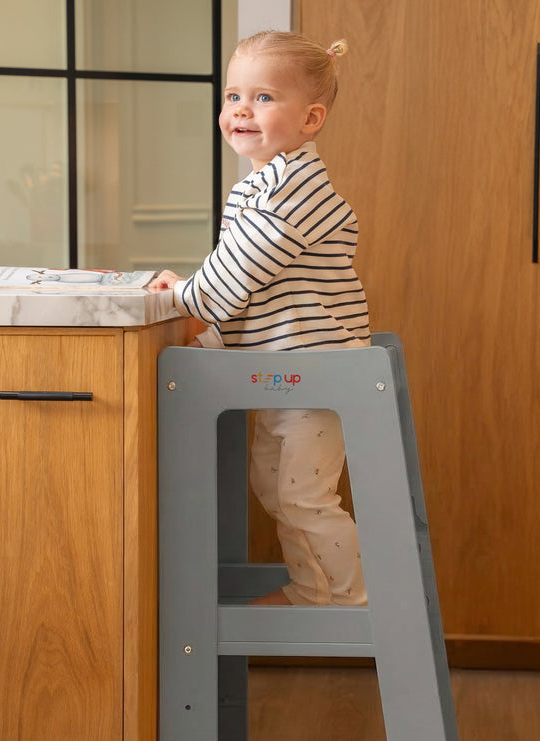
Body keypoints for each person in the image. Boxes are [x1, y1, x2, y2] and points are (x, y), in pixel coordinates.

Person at [149, 30, 370, 606]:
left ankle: (351, 600)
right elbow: (254, 286)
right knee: (275, 488)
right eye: (233, 96)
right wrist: (206, 318)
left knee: (303, 496)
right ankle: (313, 591)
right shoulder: (263, 185)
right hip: (288, 371)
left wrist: (184, 295)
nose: (241, 110)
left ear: (310, 119)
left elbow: (236, 276)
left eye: (264, 97)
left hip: (316, 373)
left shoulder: (291, 191)